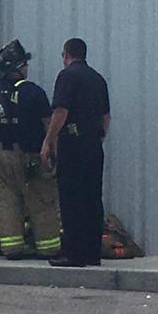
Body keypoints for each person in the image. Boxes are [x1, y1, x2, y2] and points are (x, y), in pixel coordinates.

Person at [0, 39, 61, 260]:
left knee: (8, 202)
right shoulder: (33, 92)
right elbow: (48, 125)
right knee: (41, 200)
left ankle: (12, 247)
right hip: (30, 156)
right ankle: (48, 247)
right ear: (19, 67)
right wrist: (53, 152)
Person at [41, 38, 110, 267]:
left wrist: (49, 140)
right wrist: (97, 139)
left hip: (73, 142)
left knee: (72, 198)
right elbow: (105, 117)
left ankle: (74, 253)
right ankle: (92, 252)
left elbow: (61, 110)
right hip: (93, 143)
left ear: (66, 55)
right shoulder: (98, 79)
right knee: (92, 198)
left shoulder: (67, 76)